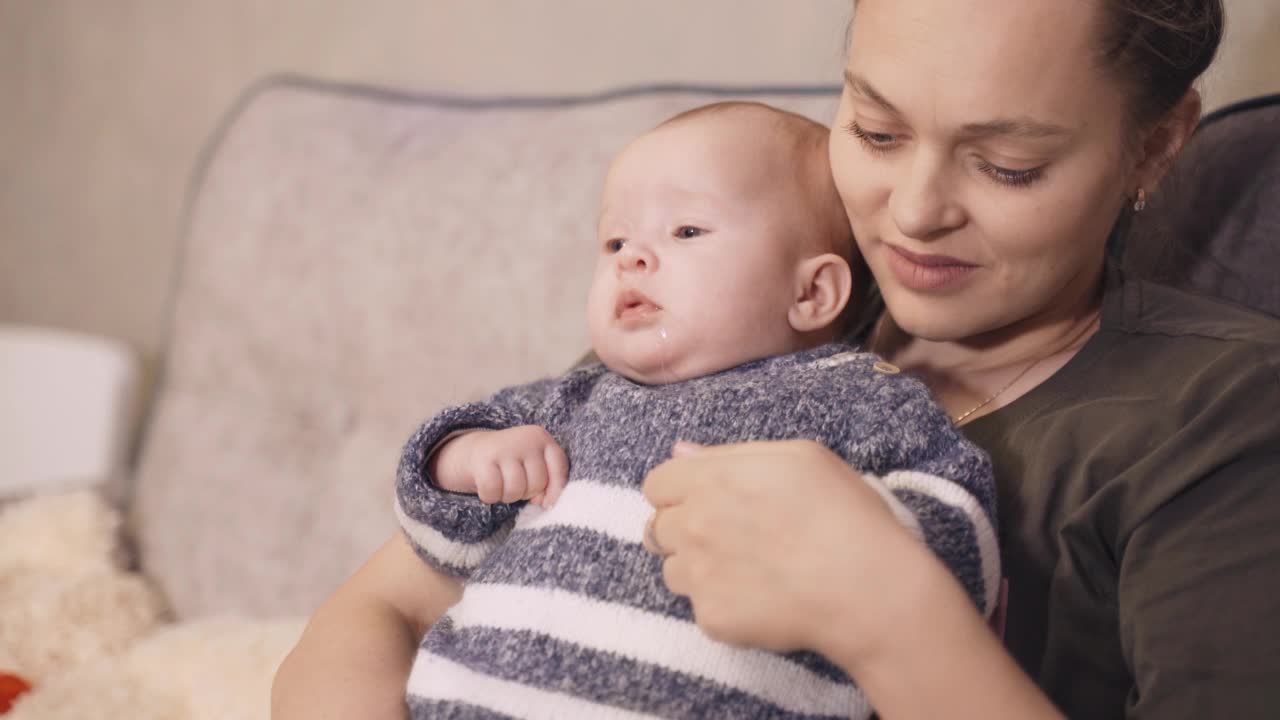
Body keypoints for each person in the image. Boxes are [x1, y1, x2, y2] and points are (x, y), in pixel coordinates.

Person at [274, 1, 1280, 718]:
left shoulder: (1221, 414)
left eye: (1005, 164)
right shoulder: (743, 306)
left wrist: (887, 617)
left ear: (1153, 149)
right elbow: (381, 606)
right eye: (876, 130)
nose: (913, 210)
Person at [390, 101, 997, 719]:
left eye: (686, 231)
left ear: (811, 292)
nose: (632, 257)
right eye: (615, 240)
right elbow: (439, 536)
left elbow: (960, 537)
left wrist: (866, 533)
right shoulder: (572, 399)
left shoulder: (860, 401)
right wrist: (466, 460)